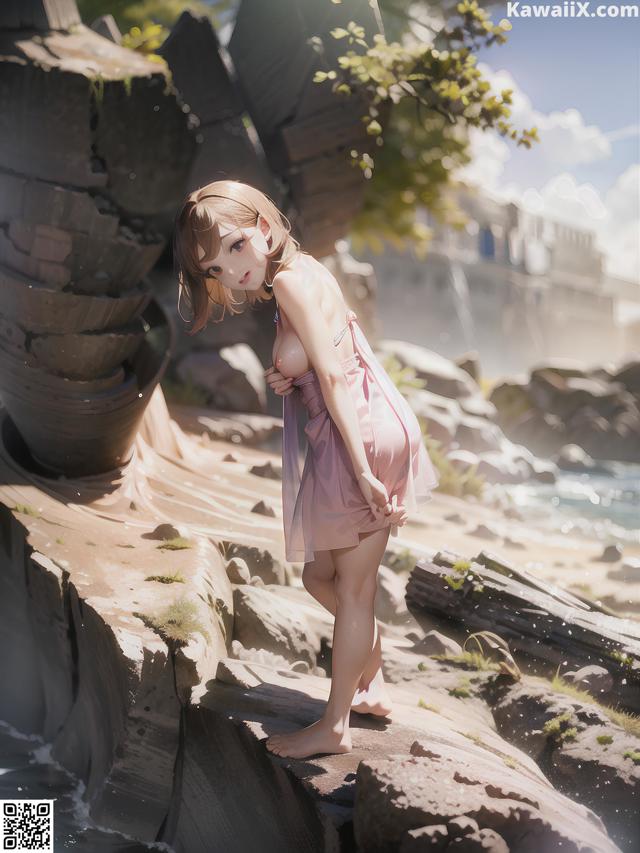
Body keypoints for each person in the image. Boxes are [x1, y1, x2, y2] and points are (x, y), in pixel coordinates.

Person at [173, 180, 440, 759]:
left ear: (264, 228)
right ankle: (368, 663)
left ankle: (336, 724)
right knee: (323, 579)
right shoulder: (306, 269)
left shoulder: (291, 280)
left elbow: (339, 376)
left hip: (360, 437)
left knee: (354, 587)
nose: (231, 270)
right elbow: (338, 349)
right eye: (215, 267)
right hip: (364, 427)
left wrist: (365, 469)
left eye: (236, 246)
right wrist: (290, 376)